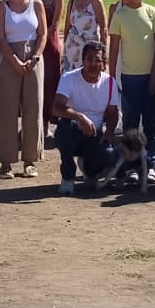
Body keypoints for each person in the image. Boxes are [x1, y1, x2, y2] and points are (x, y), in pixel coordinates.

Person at [107, 0, 155, 186]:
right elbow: (114, 48)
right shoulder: (119, 15)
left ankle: (150, 164)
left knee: (150, 123)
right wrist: (111, 76)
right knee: (130, 124)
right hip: (129, 77)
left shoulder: (152, 12)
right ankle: (131, 166)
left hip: (149, 76)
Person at [0, 0, 48, 178]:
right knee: (6, 110)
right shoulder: (1, 7)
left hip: (34, 57)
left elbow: (43, 33)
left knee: (33, 109)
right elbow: (0, 37)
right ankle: (6, 162)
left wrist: (35, 56)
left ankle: (30, 160)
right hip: (9, 58)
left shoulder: (37, 4)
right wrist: (14, 60)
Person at [51, 41, 120, 194]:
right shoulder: (69, 78)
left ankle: (90, 171)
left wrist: (108, 132)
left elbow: (112, 114)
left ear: (104, 63)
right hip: (73, 132)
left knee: (109, 155)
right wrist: (79, 117)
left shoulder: (109, 83)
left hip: (95, 135)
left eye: (98, 60)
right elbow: (56, 107)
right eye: (89, 59)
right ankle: (68, 178)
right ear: (82, 60)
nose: (93, 64)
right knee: (65, 128)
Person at [35, 0, 68, 135]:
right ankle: (38, 120)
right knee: (37, 82)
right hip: (37, 40)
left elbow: (55, 23)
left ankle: (48, 121)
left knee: (50, 82)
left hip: (50, 42)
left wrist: (43, 38)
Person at [62, 0, 107, 74]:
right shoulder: (72, 2)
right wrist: (64, 49)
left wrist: (103, 55)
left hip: (89, 50)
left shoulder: (96, 2)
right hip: (71, 49)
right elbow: (67, 28)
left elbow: (103, 30)